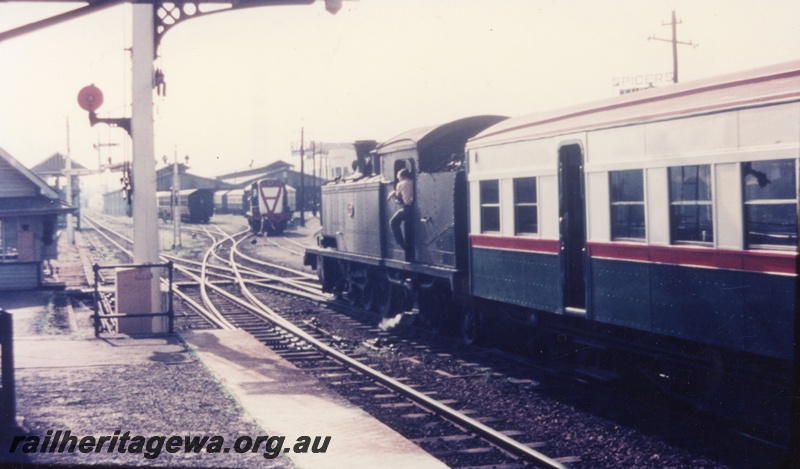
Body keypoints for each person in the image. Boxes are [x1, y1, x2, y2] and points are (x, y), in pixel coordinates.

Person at [388, 168, 414, 252]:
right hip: (413, 207)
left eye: (398, 177)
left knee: (393, 222)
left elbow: (399, 199)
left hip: (407, 208)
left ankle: (403, 245)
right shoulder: (412, 181)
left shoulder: (400, 184)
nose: (398, 178)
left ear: (402, 176)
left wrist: (393, 194)